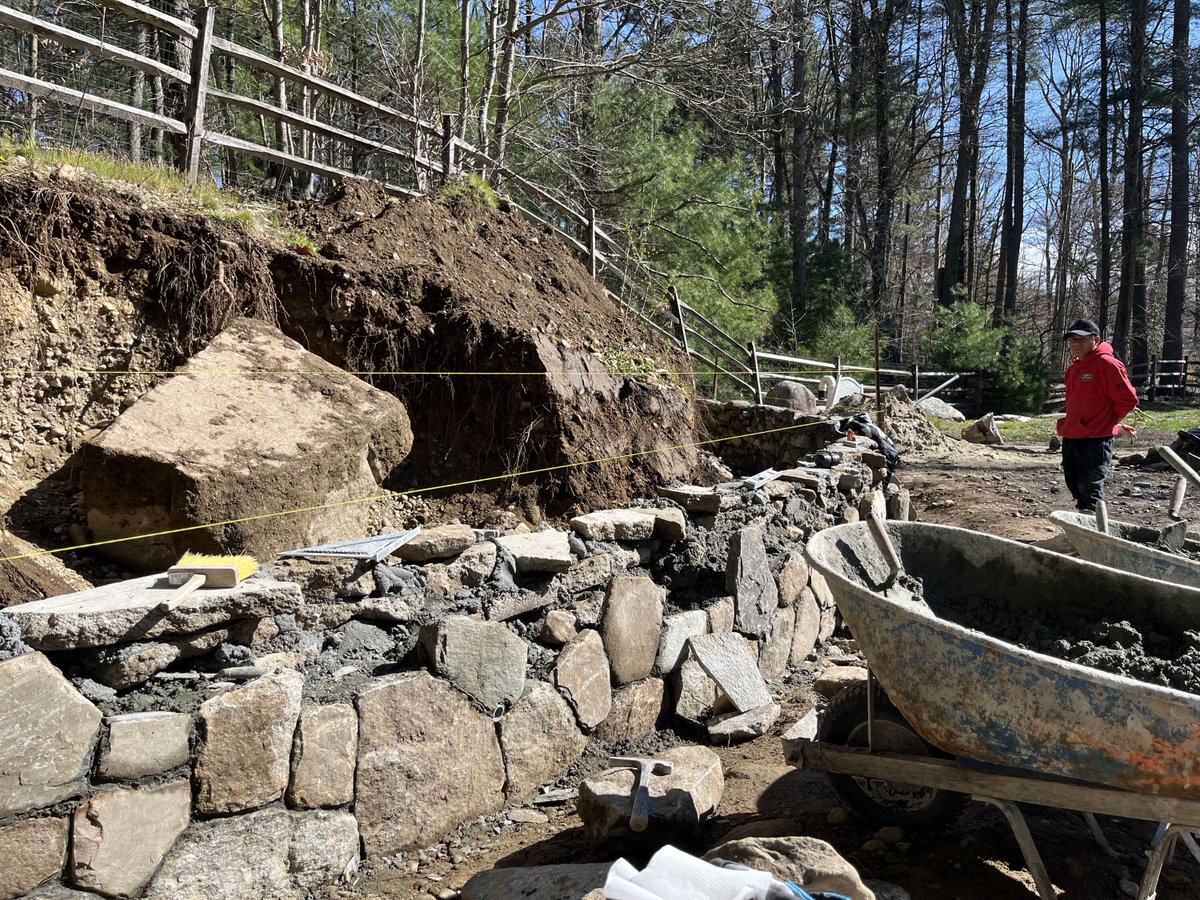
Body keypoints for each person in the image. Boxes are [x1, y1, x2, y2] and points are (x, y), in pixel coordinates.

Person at [1056, 318, 1139, 512]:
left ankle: (1094, 531)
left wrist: (1110, 423)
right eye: (1072, 339)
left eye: (1082, 339)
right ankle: (1084, 523)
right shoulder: (1073, 368)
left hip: (1096, 439)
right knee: (1074, 483)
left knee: (1091, 488)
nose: (1076, 343)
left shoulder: (1107, 364)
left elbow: (1128, 400)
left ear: (1096, 339)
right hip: (1073, 434)